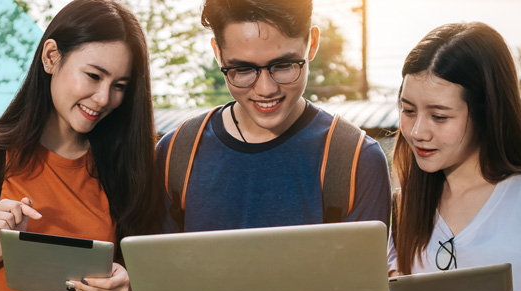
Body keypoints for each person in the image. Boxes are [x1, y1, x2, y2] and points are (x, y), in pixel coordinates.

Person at [0, 0, 164, 291]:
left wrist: (128, 288)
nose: (103, 98)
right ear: (51, 57)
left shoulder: (133, 166)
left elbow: (158, 282)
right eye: (94, 76)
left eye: (120, 85)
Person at [155, 0, 391, 232]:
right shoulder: (175, 155)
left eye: (284, 65)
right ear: (218, 52)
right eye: (243, 70)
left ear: (312, 43)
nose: (266, 89)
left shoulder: (356, 161)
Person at [388, 22, 521, 291]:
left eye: (439, 116)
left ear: (486, 112)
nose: (417, 132)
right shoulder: (405, 207)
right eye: (408, 110)